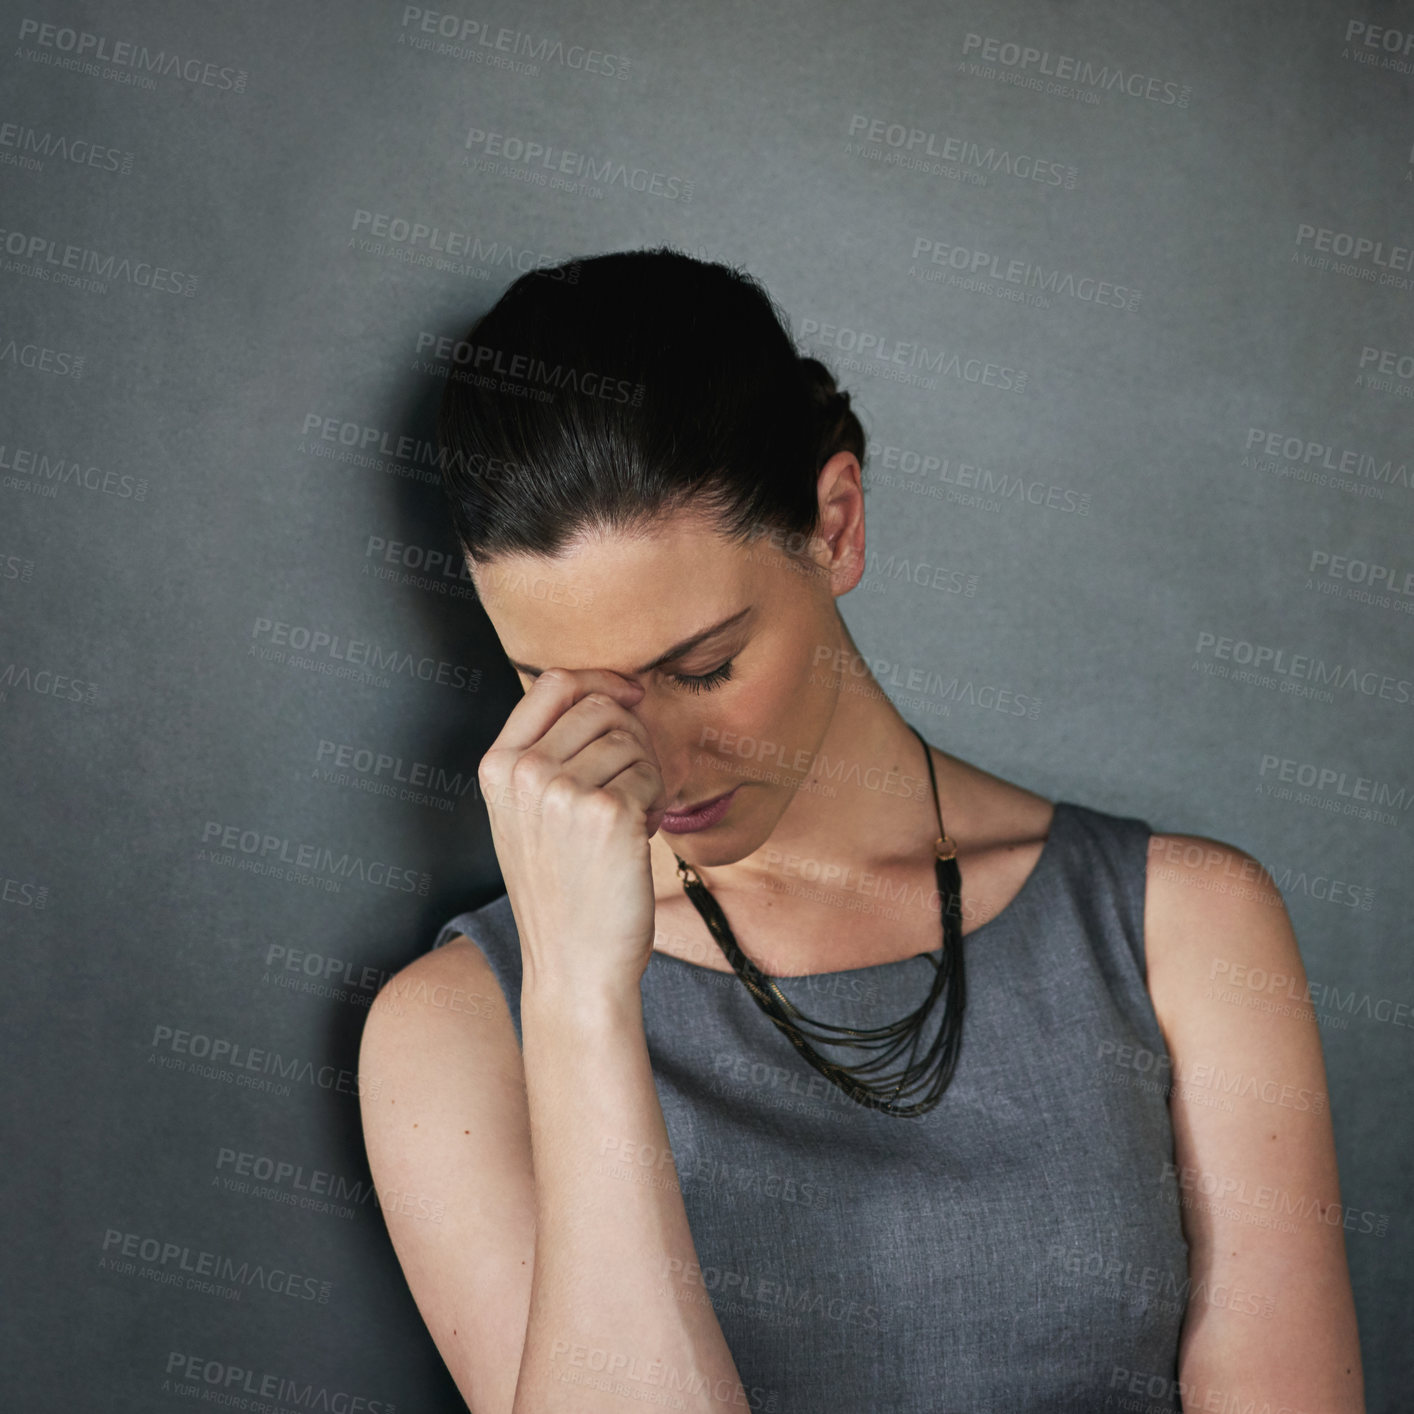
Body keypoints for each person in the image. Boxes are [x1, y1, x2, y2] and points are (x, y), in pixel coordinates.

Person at [357, 248, 1363, 1414]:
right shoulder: (457, 1031)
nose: (657, 764)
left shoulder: (1183, 929)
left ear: (834, 525)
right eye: (560, 688)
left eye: (704, 666)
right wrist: (582, 1002)